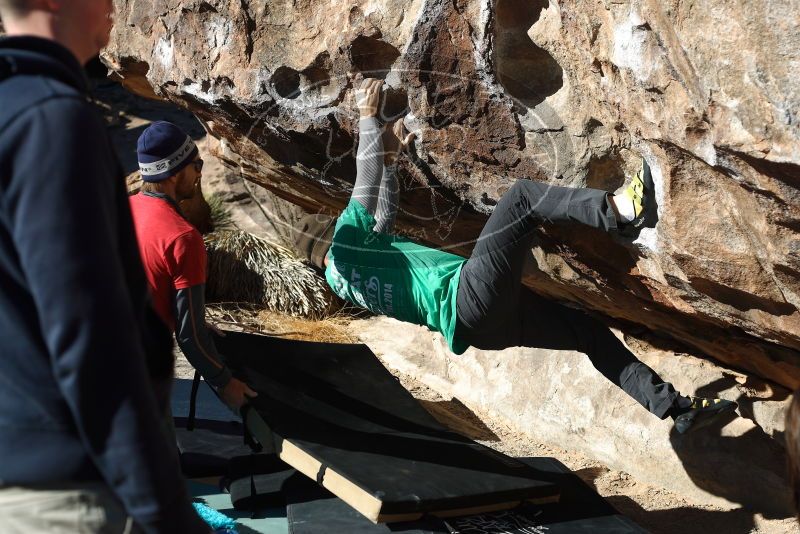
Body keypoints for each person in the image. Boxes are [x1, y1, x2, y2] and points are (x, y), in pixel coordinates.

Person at [293, 78, 737, 434]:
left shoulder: (342, 277)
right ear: (327, 235)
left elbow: (383, 217)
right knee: (522, 198)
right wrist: (367, 120)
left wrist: (390, 160)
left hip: (483, 329)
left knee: (587, 333)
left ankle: (674, 408)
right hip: (469, 296)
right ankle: (622, 211)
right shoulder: (346, 243)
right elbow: (364, 185)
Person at [0, 1, 209, 532]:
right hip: (65, 496)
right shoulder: (51, 118)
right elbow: (89, 336)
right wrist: (167, 513)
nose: (116, 6)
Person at [129, 121, 257, 410]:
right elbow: (190, 337)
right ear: (174, 174)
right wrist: (227, 383)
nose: (199, 174)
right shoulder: (183, 238)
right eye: (196, 165)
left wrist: (189, 313)